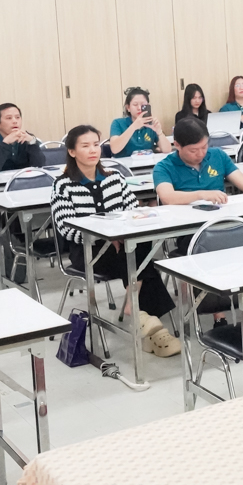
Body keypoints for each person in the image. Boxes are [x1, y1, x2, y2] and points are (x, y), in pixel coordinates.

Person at [51, 126, 180, 357]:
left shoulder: (115, 178)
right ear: (72, 151)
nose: (93, 150)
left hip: (122, 246)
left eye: (96, 144)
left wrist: (123, 231)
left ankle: (139, 314)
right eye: (85, 146)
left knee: (141, 245)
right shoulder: (63, 185)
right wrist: (105, 236)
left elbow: (132, 212)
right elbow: (66, 228)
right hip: (88, 252)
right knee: (139, 258)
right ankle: (144, 320)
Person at [154, 118, 243, 204]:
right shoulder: (164, 167)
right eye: (193, 151)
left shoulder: (218, 155)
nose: (201, 153)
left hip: (221, 213)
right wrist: (201, 195)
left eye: (204, 147)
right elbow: (167, 198)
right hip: (185, 217)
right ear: (177, 145)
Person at [108, 87, 170, 158]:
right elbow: (114, 149)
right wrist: (133, 127)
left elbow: (167, 150)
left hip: (148, 163)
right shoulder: (118, 123)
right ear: (128, 108)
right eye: (135, 104)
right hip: (123, 164)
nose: (139, 108)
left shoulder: (151, 124)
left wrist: (159, 132)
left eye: (143, 105)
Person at [0, 103, 43, 171]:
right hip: (0, 178)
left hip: (25, 177)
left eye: (17, 117)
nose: (15, 121)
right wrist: (6, 143)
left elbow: (40, 166)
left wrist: (32, 143)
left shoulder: (26, 138)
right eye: (9, 118)